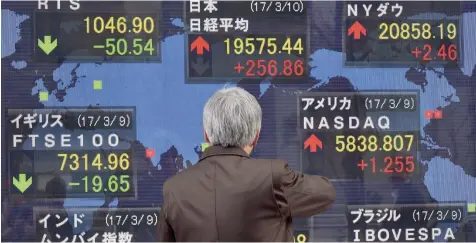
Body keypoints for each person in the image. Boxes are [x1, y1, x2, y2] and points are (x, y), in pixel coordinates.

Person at [158, 87, 336, 241]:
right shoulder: (272, 177)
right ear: (256, 136)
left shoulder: (173, 189)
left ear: (206, 134)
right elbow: (326, 193)